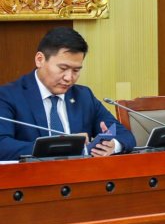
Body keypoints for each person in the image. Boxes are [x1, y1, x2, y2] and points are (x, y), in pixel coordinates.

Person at [0, 27, 136, 159]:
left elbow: (125, 135)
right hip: (33, 173)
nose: (69, 78)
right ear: (40, 60)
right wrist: (60, 146)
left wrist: (113, 145)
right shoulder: (8, 96)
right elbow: (2, 145)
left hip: (81, 172)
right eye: (63, 68)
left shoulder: (83, 96)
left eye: (76, 70)